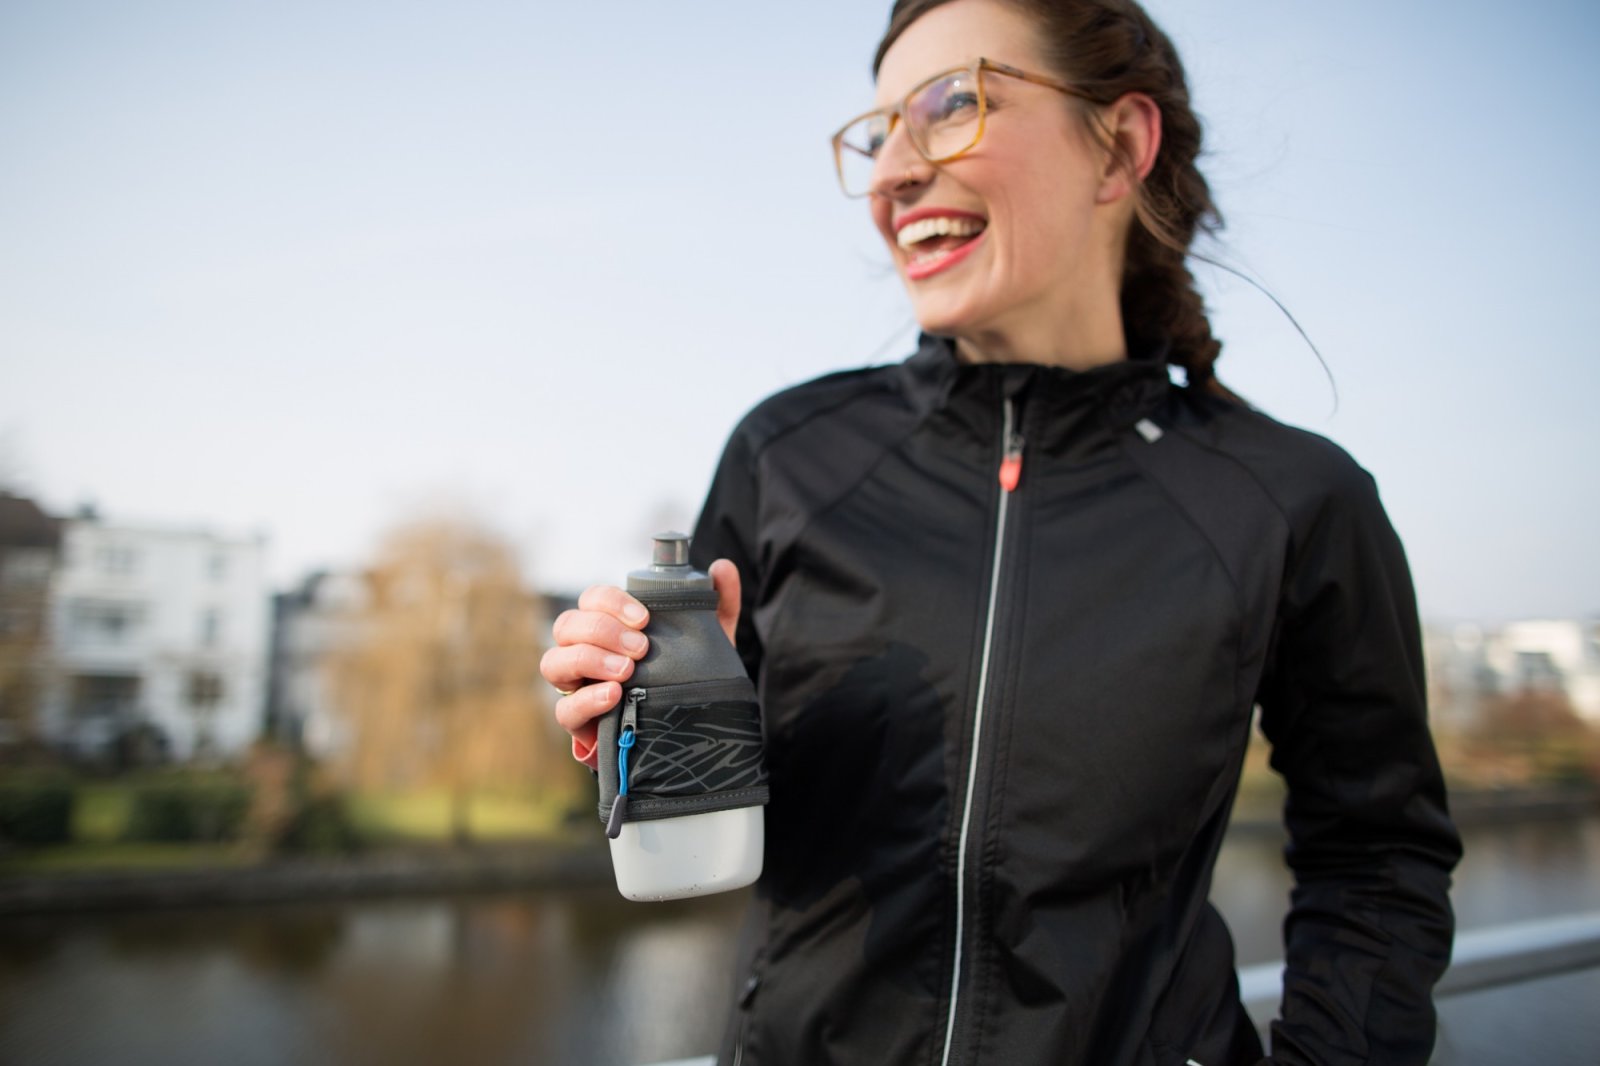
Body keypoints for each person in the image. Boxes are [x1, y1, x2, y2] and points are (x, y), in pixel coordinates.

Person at [540, 0, 1462, 1062]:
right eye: (878, 131)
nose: (890, 170)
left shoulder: (1291, 500)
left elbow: (1378, 855)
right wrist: (639, 719)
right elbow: (721, 804)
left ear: (1118, 145)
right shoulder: (788, 453)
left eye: (950, 105)